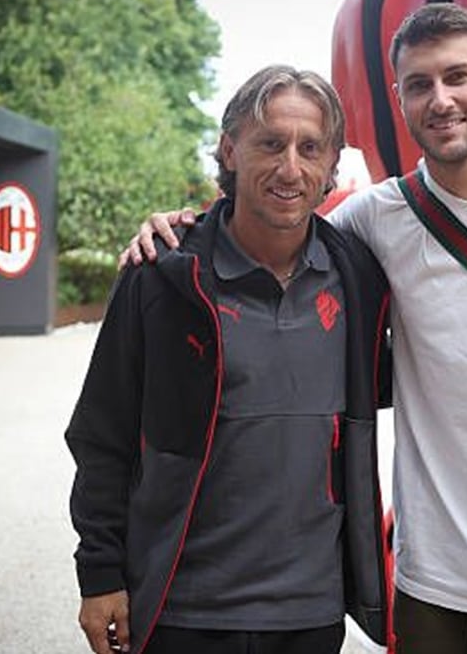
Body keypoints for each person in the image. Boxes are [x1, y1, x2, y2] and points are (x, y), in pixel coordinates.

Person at [121, 3, 467, 654]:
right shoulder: (376, 220)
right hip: (436, 587)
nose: (440, 100)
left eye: (458, 76)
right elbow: (272, 224)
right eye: (420, 84)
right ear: (399, 99)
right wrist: (182, 229)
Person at [65, 65, 391, 654]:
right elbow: (102, 433)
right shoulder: (162, 276)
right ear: (229, 149)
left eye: (310, 148)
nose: (290, 168)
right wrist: (100, 572)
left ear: (331, 165)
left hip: (311, 614)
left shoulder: (359, 278)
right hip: (181, 611)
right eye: (270, 143)